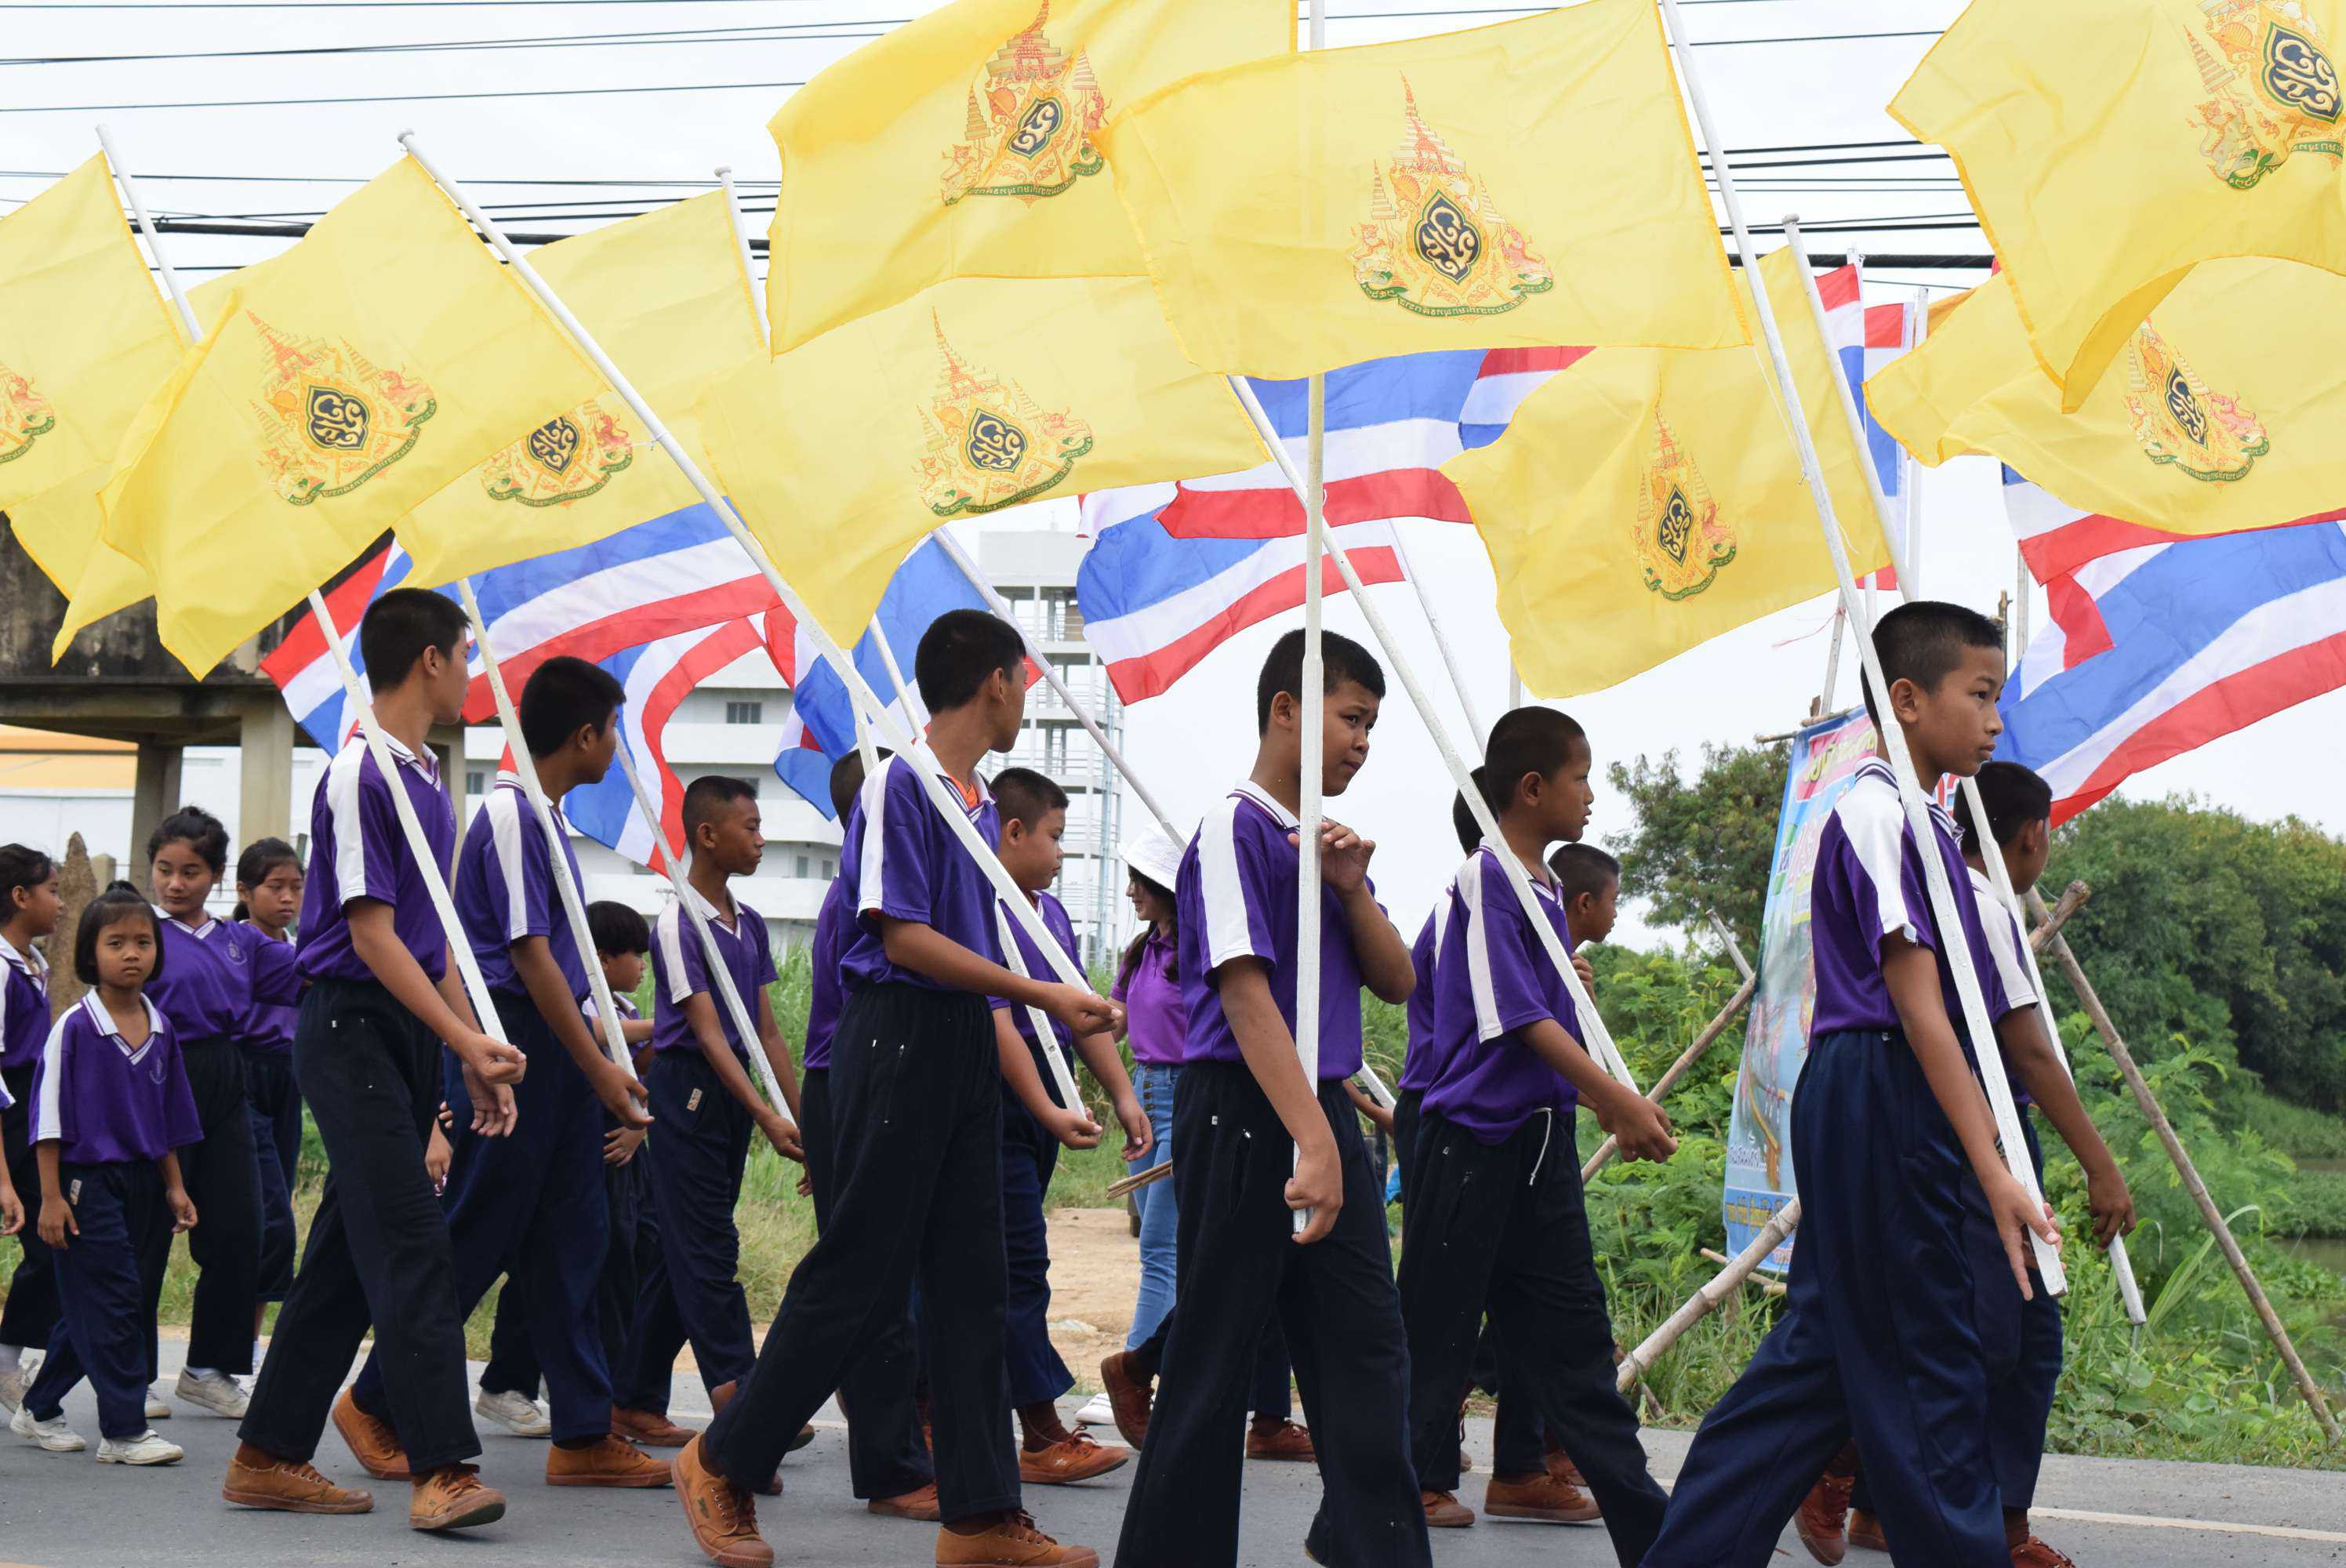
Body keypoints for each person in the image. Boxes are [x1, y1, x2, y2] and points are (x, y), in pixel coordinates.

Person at [674, 608, 1116, 1568]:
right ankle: (722, 1460)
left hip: (958, 1043)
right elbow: (903, 937)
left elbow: (977, 958)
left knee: (973, 1287)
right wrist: (1045, 992)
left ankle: (981, 1517)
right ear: (994, 681)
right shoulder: (900, 782)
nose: (1027, 696)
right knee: (860, 1274)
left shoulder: (973, 800)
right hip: (898, 1035)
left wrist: (1045, 1018)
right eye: (1025, 679)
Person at [1642, 601, 2065, 1568]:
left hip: (1873, 1083)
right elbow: (1919, 1008)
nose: (1995, 719)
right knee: (1929, 1359)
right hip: (1884, 1079)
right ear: (1907, 699)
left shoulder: (1928, 819)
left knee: (1823, 1357)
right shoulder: (1878, 811)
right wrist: (1993, 1167)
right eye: (1979, 694)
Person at [1113, 627, 1427, 1568]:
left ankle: (1372, 1546)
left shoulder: (1324, 844)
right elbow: (1244, 994)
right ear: (1286, 709)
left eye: (1371, 726)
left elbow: (1398, 979)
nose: (1361, 741)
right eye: (1351, 717)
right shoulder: (1233, 828)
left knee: (1368, 1347)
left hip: (1316, 1102)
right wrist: (1314, 1141)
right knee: (1215, 1358)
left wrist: (1352, 888)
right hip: (1244, 1108)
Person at [225, 587, 528, 1530]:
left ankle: (267, 1453)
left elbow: (433, 944)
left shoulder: (430, 776)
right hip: (350, 1023)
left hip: (402, 1026)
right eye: (465, 655)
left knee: (345, 1262)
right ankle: (444, 1468)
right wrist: (460, 1038)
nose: (472, 674)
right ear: (431, 659)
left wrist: (466, 1047)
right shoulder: (363, 771)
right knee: (411, 1240)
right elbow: (369, 933)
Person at [338, 656, 667, 1490]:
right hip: (516, 1042)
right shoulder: (513, 814)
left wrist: (592, 1061)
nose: (616, 747)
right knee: (476, 1234)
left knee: (573, 1240)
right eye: (613, 731)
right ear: (585, 735)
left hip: (554, 1047)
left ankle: (583, 1431)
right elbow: (531, 955)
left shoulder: (542, 816)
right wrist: (598, 1066)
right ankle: (375, 1400)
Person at [1799, 760, 2134, 1568]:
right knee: (1988, 1339)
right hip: (1975, 1140)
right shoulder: (1979, 900)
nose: (1989, 718)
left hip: (1967, 1134)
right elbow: (2029, 1050)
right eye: (1979, 700)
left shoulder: (1953, 885)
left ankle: (1903, 1505)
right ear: (2034, 834)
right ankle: (1854, 1466)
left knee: (2001, 1335)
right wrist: (2101, 1166)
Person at [1401, 710, 1671, 1560]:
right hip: (1471, 1143)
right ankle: (1383, 1506)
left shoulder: (1546, 890)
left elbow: (1550, 1022)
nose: (1591, 795)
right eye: (1580, 777)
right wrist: (1615, 1101)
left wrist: (1597, 1100)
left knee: (1577, 1344)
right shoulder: (1486, 878)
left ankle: (1656, 1537)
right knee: (1436, 1332)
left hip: (1538, 1146)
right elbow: (1516, 1018)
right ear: (1531, 788)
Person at [612, 773, 804, 1464]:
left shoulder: (749, 923)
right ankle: (742, 1394)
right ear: (708, 835)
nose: (761, 839)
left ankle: (633, 1397)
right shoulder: (676, 924)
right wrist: (763, 1113)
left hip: (732, 1093)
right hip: (689, 1089)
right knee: (710, 1247)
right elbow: (708, 1033)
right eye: (750, 827)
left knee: (681, 1249)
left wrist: (798, 1117)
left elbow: (765, 1032)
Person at [986, 765, 1150, 1486]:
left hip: (1042, 1106)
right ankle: (1040, 1430)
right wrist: (1045, 1108)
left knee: (1005, 1265)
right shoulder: (981, 909)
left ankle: (926, 1405)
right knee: (1018, 1266)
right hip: (996, 1103)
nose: (1061, 854)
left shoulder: (1050, 916)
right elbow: (1000, 1022)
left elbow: (1080, 1012)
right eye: (1054, 838)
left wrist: (1122, 1093)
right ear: (1013, 831)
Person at [788, 747, 938, 1521]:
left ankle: (895, 1443)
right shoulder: (866, 899)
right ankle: (886, 1463)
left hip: (856, 1087)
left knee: (877, 1281)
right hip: (851, 1084)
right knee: (867, 1286)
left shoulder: (864, 889)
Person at [11, 891, 199, 1466]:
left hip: (145, 1182)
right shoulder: (73, 1028)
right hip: (84, 1184)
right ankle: (124, 1431)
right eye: (116, 943)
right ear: (90, 955)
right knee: (114, 1303)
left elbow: (167, 1120)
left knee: (110, 1302)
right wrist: (49, 1198)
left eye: (143, 942)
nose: (131, 954)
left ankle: (38, 1406)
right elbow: (46, 1123)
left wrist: (175, 1187)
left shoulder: (161, 1027)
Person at [143, 807, 303, 1421]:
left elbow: (310, 976)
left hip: (225, 1081)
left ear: (215, 876)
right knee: (146, 1232)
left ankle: (209, 1368)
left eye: (190, 872)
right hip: (156, 1077)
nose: (175, 883)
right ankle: (129, 1372)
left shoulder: (241, 941)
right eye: (164, 869)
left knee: (242, 1228)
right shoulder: (138, 930)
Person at [233, 838, 306, 1349]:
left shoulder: (298, 945)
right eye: (275, 887)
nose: (287, 898)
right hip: (245, 1074)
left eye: (296, 887)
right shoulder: (238, 945)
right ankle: (233, 1348)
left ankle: (245, 1349)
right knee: (269, 1218)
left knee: (275, 1215)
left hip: (289, 1077)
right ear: (245, 891)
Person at [0, 843, 62, 1414]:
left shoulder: (33, 963)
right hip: (7, 1114)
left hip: (28, 1112)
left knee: (50, 1245)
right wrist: (4, 1179)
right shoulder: (1, 969)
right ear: (20, 897)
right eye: (52, 890)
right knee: (45, 1245)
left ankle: (7, 1359)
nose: (60, 903)